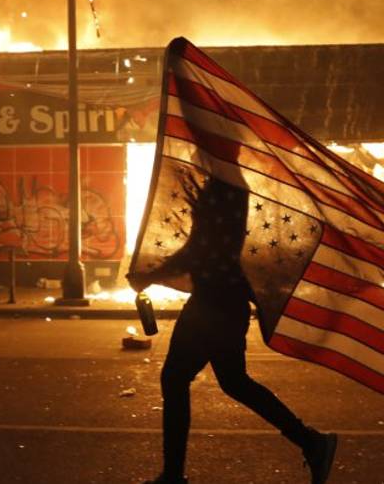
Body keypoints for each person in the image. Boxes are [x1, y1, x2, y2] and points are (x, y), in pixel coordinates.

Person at [128, 176, 338, 484]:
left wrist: (152, 275)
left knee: (176, 378)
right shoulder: (226, 183)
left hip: (213, 304)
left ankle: (173, 476)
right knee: (233, 382)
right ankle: (311, 442)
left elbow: (200, 248)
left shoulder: (224, 186)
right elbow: (201, 246)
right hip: (223, 302)